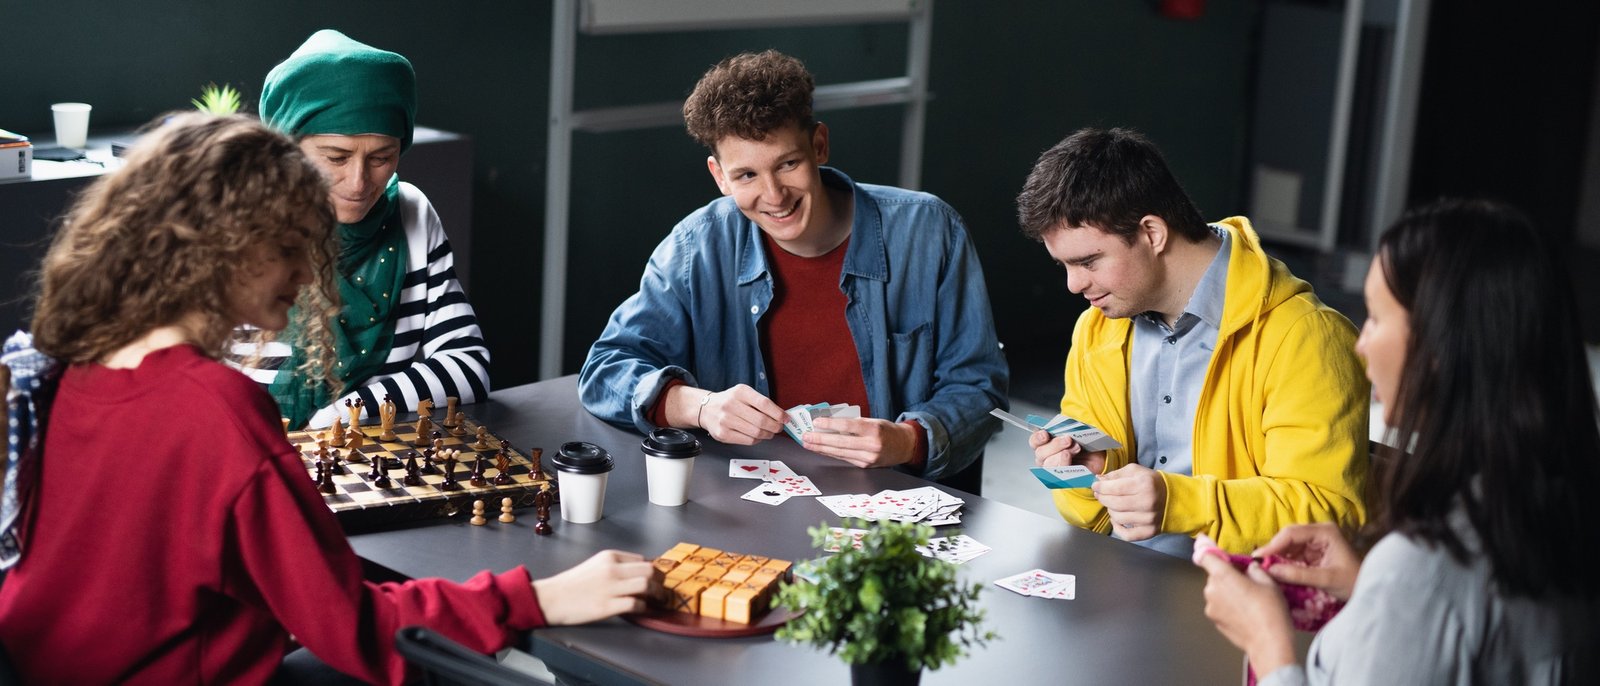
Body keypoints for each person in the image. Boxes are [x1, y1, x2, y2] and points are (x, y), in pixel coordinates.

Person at [0, 113, 658, 685]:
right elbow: (356, 630)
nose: (308, 275)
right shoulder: (214, 407)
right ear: (220, 248)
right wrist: (539, 597)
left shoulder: (78, 360)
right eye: (291, 248)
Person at [1196, 199, 1599, 684]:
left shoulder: (1421, 568)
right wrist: (1368, 587)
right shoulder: (1559, 517)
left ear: (1439, 349)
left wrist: (1268, 643)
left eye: (1376, 318)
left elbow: (1434, 596)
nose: (1361, 343)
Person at [579, 50, 1008, 492]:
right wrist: (699, 407)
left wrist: (908, 441)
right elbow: (604, 370)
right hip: (749, 503)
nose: (774, 195)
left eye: (788, 164)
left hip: (894, 502)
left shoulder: (929, 230)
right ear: (719, 177)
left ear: (819, 144)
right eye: (745, 175)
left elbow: (979, 388)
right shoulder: (697, 246)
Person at [1015, 128, 1368, 556]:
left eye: (1088, 261)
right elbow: (1092, 520)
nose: (1073, 285)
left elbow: (1327, 515)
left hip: (1249, 600)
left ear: (1152, 234)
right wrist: (1091, 475)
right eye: (1064, 266)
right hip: (1125, 581)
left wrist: (1176, 502)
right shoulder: (1097, 328)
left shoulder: (1307, 337)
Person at [233, 29, 489, 430]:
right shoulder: (229, 229)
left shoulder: (412, 213)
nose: (359, 182)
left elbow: (467, 367)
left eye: (381, 157)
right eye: (336, 158)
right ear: (288, 148)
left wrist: (347, 409)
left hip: (361, 468)